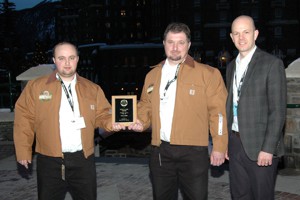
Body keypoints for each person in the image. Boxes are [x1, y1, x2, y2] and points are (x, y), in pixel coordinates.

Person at [128, 22, 228, 200]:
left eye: (180, 42)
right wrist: (141, 122)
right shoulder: (152, 75)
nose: (175, 48)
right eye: (170, 42)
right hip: (160, 151)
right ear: (164, 43)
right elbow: (145, 105)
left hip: (194, 152)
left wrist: (219, 146)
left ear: (189, 45)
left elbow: (218, 113)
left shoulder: (209, 74)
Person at [13, 42, 125, 200]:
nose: (67, 63)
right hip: (49, 161)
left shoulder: (92, 88)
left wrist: (111, 123)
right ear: (54, 60)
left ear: (77, 59)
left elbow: (103, 114)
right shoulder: (36, 87)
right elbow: (24, 118)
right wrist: (23, 151)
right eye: (61, 58)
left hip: (83, 161)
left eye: (71, 58)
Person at [225, 15, 287, 200]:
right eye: (236, 33)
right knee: (239, 195)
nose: (241, 37)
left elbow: (278, 111)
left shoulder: (271, 64)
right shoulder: (230, 68)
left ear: (256, 34)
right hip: (235, 144)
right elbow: (230, 107)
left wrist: (268, 148)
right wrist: (226, 143)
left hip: (261, 146)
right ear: (231, 37)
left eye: (246, 32)